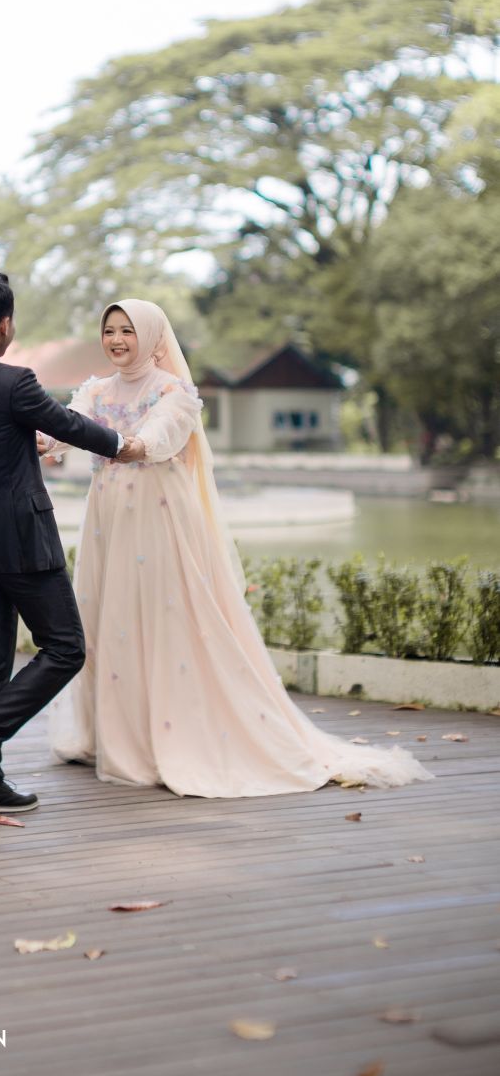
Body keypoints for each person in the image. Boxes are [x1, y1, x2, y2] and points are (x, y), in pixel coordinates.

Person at [44, 298, 433, 797]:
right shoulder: (95, 391)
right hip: (108, 523)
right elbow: (62, 430)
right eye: (109, 330)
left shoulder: (174, 392)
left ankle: (167, 735)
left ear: (152, 336)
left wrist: (95, 438)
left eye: (128, 330)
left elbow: (150, 443)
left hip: (157, 521)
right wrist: (37, 437)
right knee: (109, 615)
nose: (117, 340)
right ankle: (116, 734)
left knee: (161, 617)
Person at [0, 271, 142, 818]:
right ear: (5, 325)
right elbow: (68, 424)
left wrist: (23, 441)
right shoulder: (15, 382)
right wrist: (123, 444)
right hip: (19, 535)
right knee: (66, 648)